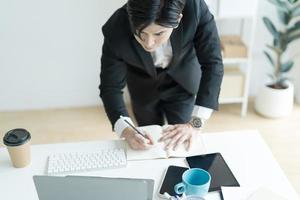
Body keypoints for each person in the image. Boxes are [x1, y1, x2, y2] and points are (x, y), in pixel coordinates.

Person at [99, 0, 223, 151]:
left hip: (182, 81)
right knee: (147, 141)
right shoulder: (115, 28)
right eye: (141, 32)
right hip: (142, 86)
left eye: (158, 33)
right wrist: (127, 131)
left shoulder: (195, 8)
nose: (149, 44)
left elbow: (213, 63)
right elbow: (110, 87)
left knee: (182, 142)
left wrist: (195, 123)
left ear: (178, 19)